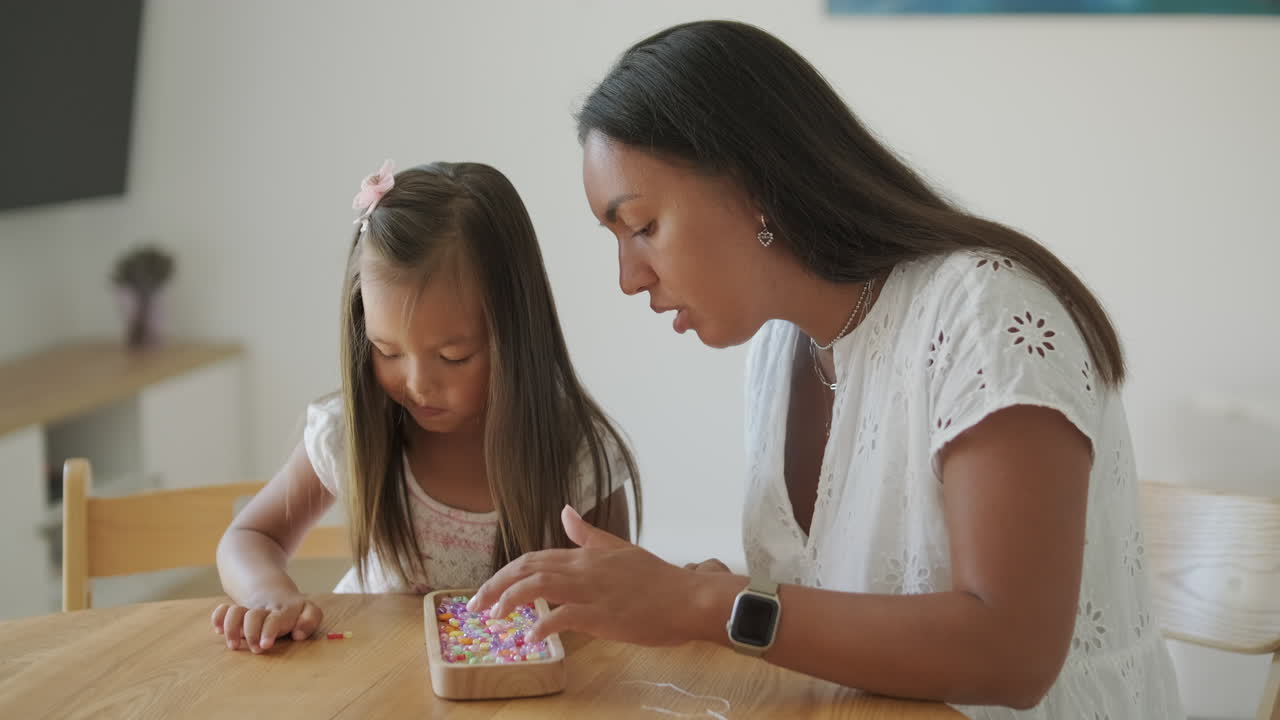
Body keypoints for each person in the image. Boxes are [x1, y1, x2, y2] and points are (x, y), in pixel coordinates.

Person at [467, 21, 1184, 719]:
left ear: (754, 186)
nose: (628, 278)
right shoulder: (779, 353)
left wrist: (708, 607)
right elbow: (827, 608)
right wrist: (712, 599)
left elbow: (1012, 656)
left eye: (644, 227)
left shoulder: (984, 316)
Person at [212, 160, 639, 654]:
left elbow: (616, 602)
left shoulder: (577, 455)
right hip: (374, 684)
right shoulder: (351, 433)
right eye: (387, 352)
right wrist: (269, 593)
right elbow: (249, 537)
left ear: (517, 335)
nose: (417, 385)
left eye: (453, 357)